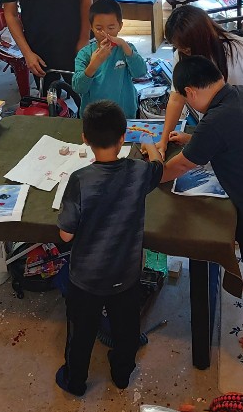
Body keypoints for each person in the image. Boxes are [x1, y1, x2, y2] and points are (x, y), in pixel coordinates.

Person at [160, 56, 243, 352]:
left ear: (190, 92)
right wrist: (193, 139)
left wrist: (153, 174)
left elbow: (181, 166)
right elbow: (233, 134)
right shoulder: (242, 94)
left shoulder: (216, 121)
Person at [56, 100, 164, 396]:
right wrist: (149, 142)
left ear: (85, 138)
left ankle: (75, 381)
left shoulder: (80, 180)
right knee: (127, 330)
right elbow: (159, 167)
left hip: (86, 278)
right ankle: (122, 375)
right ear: (123, 138)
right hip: (125, 274)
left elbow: (65, 235)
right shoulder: (139, 172)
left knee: (81, 333)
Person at [157, 5, 243, 155]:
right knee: (220, 154)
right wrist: (163, 141)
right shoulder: (182, 55)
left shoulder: (236, 48)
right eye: (179, 47)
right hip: (219, 124)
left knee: (240, 157)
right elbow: (176, 99)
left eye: (187, 48)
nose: (183, 52)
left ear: (202, 37)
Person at [72, 0, 148, 118]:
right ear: (91, 27)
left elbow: (141, 72)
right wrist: (94, 64)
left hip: (124, 113)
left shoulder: (126, 49)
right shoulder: (85, 54)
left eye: (111, 28)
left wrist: (124, 45)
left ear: (120, 26)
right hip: (94, 116)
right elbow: (78, 88)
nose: (105, 34)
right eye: (99, 29)